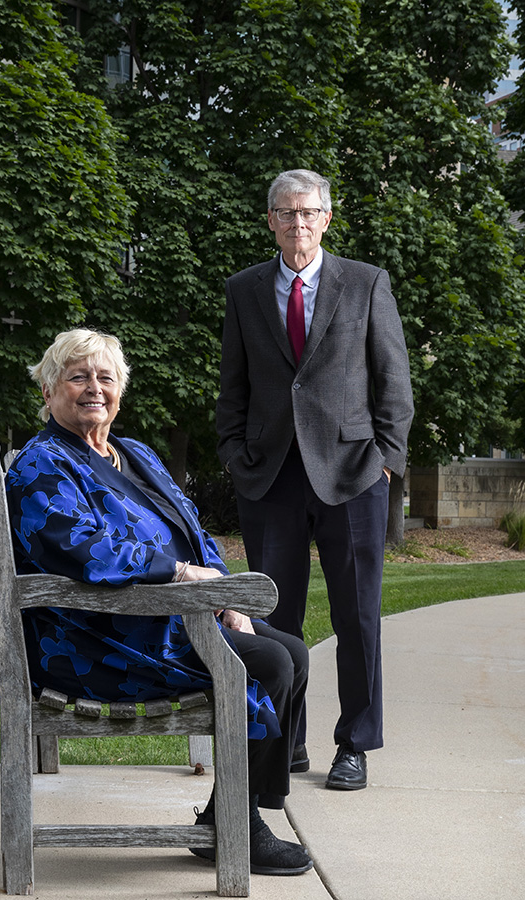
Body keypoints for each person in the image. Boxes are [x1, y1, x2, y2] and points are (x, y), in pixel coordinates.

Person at [6, 328, 312, 876]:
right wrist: (177, 573)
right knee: (269, 665)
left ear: (120, 390)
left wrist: (221, 594)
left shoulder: (135, 454)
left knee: (293, 652)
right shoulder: (40, 466)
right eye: (77, 377)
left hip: (168, 620)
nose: (93, 389)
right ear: (49, 391)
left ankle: (227, 820)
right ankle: (238, 830)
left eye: (105, 377)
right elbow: (83, 549)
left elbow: (192, 532)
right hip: (97, 637)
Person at [216, 169, 414, 791]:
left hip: (354, 476)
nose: (297, 223)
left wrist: (387, 459)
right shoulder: (244, 291)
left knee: (358, 617)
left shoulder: (365, 283)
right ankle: (288, 739)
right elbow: (234, 387)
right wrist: (233, 454)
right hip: (270, 478)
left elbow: (394, 383)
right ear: (270, 220)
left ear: (326, 218)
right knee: (276, 616)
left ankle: (355, 743)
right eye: (285, 213)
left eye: (308, 213)